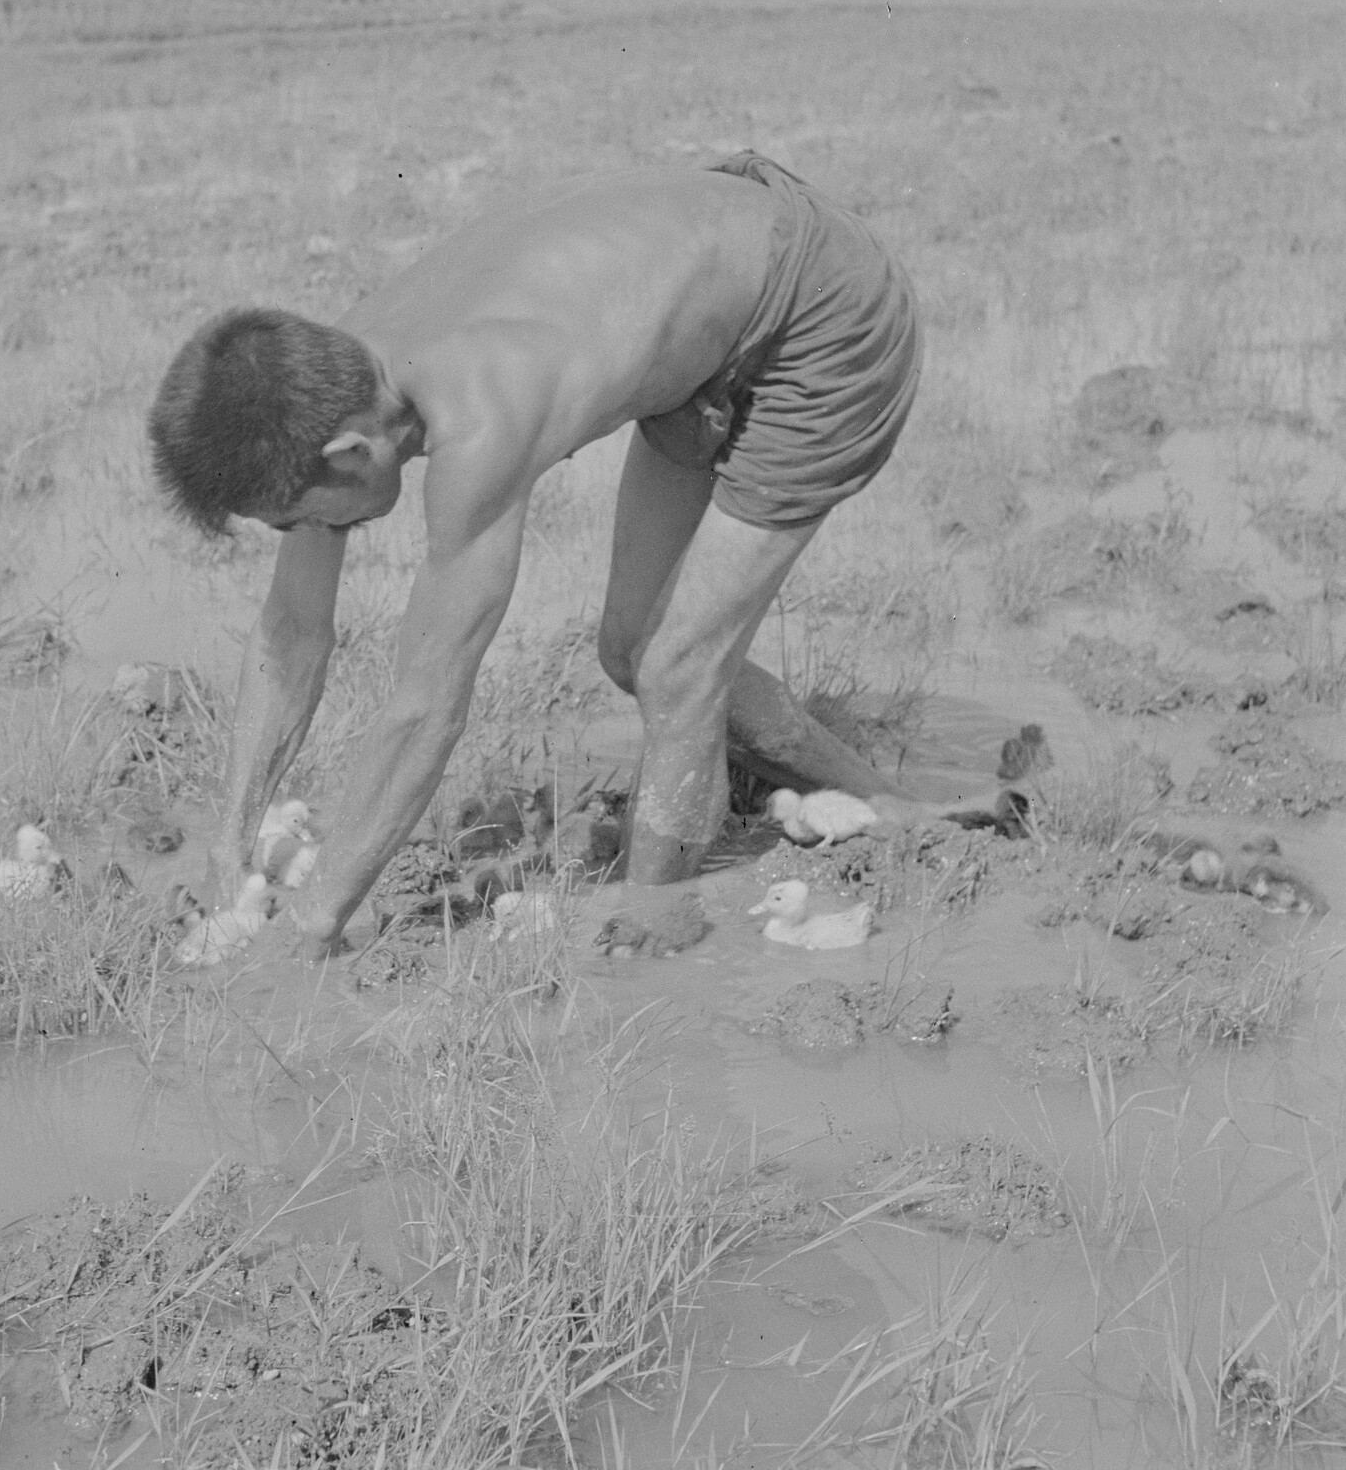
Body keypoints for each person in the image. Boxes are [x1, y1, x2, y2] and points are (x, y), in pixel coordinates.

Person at [148, 154, 1009, 962]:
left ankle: (658, 916)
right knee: (631, 650)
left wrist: (310, 926)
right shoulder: (334, 375)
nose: (296, 539)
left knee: (676, 668)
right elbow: (293, 632)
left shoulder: (481, 410)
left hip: (821, 315)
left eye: (290, 520)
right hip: (711, 310)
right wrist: (230, 845)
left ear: (347, 458)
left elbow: (426, 705)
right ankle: (889, 805)